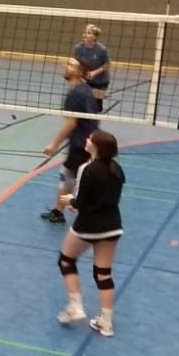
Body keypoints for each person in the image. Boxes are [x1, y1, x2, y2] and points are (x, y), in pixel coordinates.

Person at [56, 130, 124, 337]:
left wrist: (69, 201)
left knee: (66, 261)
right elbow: (104, 198)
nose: (86, 140)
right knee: (103, 274)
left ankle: (75, 306)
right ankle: (106, 323)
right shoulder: (117, 169)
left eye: (89, 139)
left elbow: (81, 203)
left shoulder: (88, 169)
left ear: (95, 146)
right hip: (112, 225)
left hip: (89, 226)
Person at [41, 59, 101, 224]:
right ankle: (59, 211)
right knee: (71, 176)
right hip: (87, 142)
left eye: (70, 64)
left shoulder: (75, 94)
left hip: (81, 145)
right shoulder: (85, 89)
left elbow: (71, 123)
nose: (64, 66)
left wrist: (54, 144)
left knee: (72, 177)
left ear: (79, 72)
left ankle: (70, 213)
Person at [73, 24, 112, 103]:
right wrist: (81, 76)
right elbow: (77, 64)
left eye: (89, 33)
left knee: (96, 104)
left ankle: (100, 95)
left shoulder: (101, 49)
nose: (85, 34)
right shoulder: (78, 48)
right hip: (86, 81)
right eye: (84, 32)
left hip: (101, 81)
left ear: (95, 37)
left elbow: (108, 64)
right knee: (83, 102)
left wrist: (94, 73)